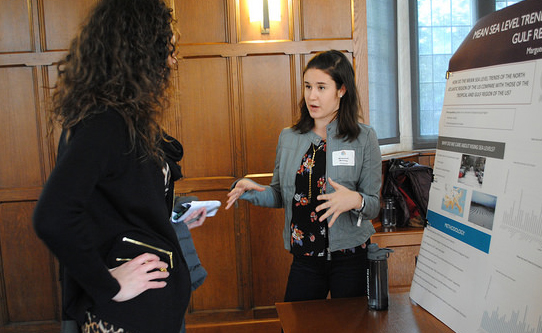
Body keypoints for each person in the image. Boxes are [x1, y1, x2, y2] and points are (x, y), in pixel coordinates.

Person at [33, 0, 201, 332]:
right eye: (166, 49)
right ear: (138, 54)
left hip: (152, 300)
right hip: (129, 312)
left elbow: (116, 206)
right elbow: (52, 216)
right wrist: (109, 285)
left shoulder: (124, 119)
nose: (172, 60)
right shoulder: (104, 121)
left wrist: (171, 217)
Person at [226, 50, 382, 302]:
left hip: (351, 257)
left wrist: (355, 201)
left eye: (321, 87)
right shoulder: (289, 137)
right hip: (305, 258)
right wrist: (252, 190)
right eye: (308, 86)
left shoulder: (364, 138)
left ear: (341, 90)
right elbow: (280, 195)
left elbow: (373, 204)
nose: (312, 96)